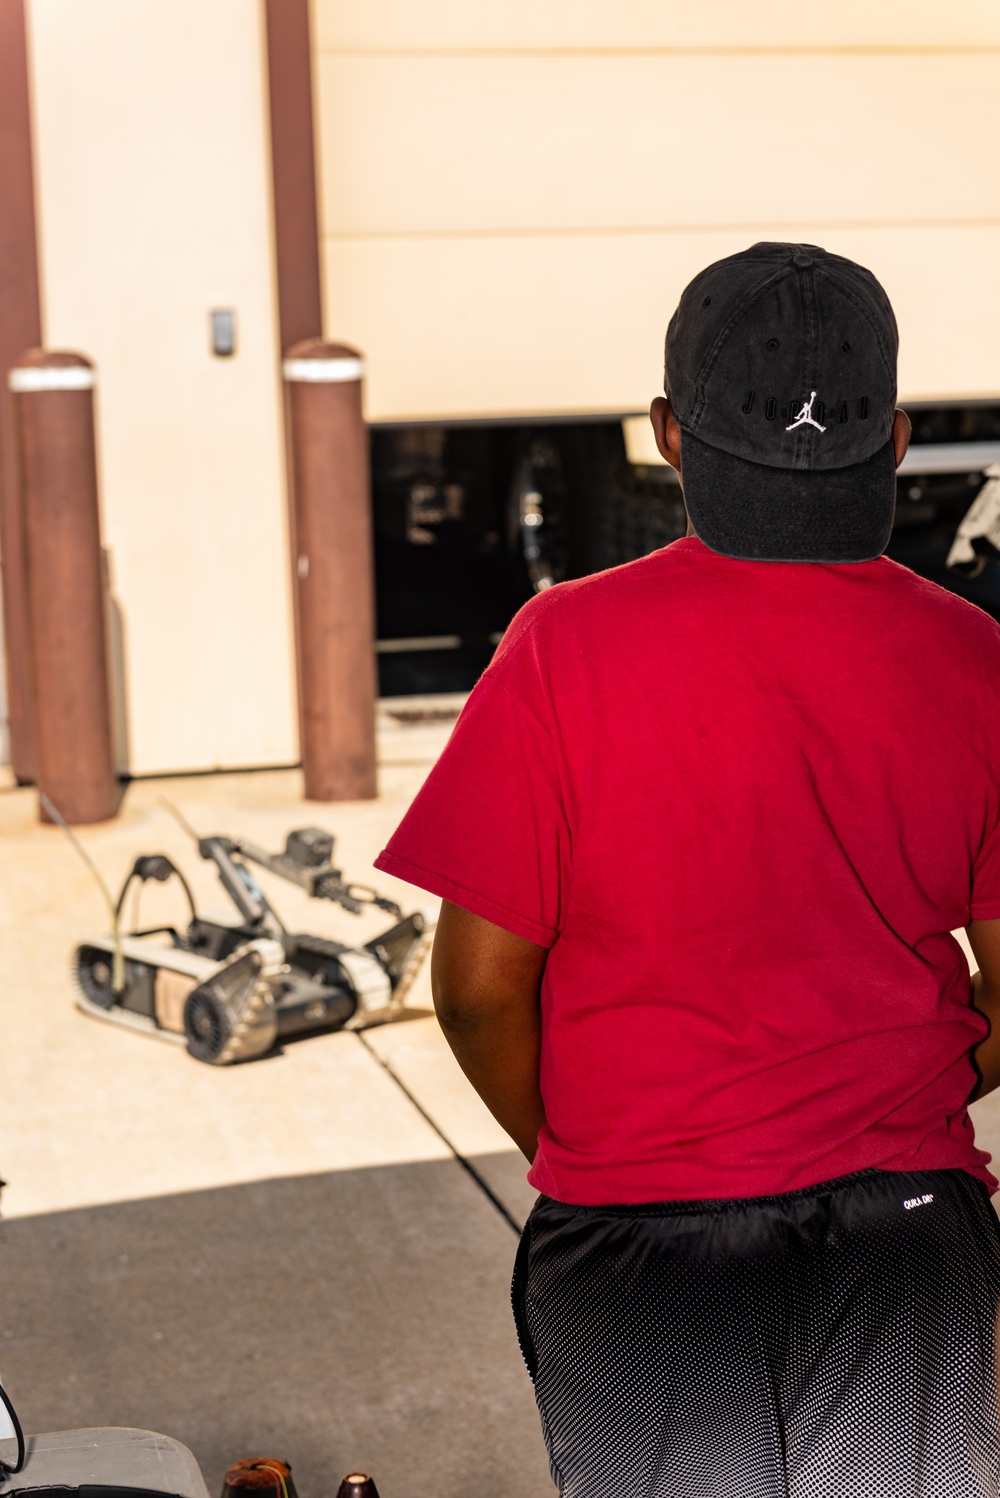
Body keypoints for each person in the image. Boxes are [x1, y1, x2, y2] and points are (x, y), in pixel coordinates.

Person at [374, 242, 1000, 1497]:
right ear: (893, 441)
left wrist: (592, 1145)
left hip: (641, 1237)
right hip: (906, 1226)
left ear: (666, 432)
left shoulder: (563, 648)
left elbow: (479, 990)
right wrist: (922, 1081)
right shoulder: (974, 653)